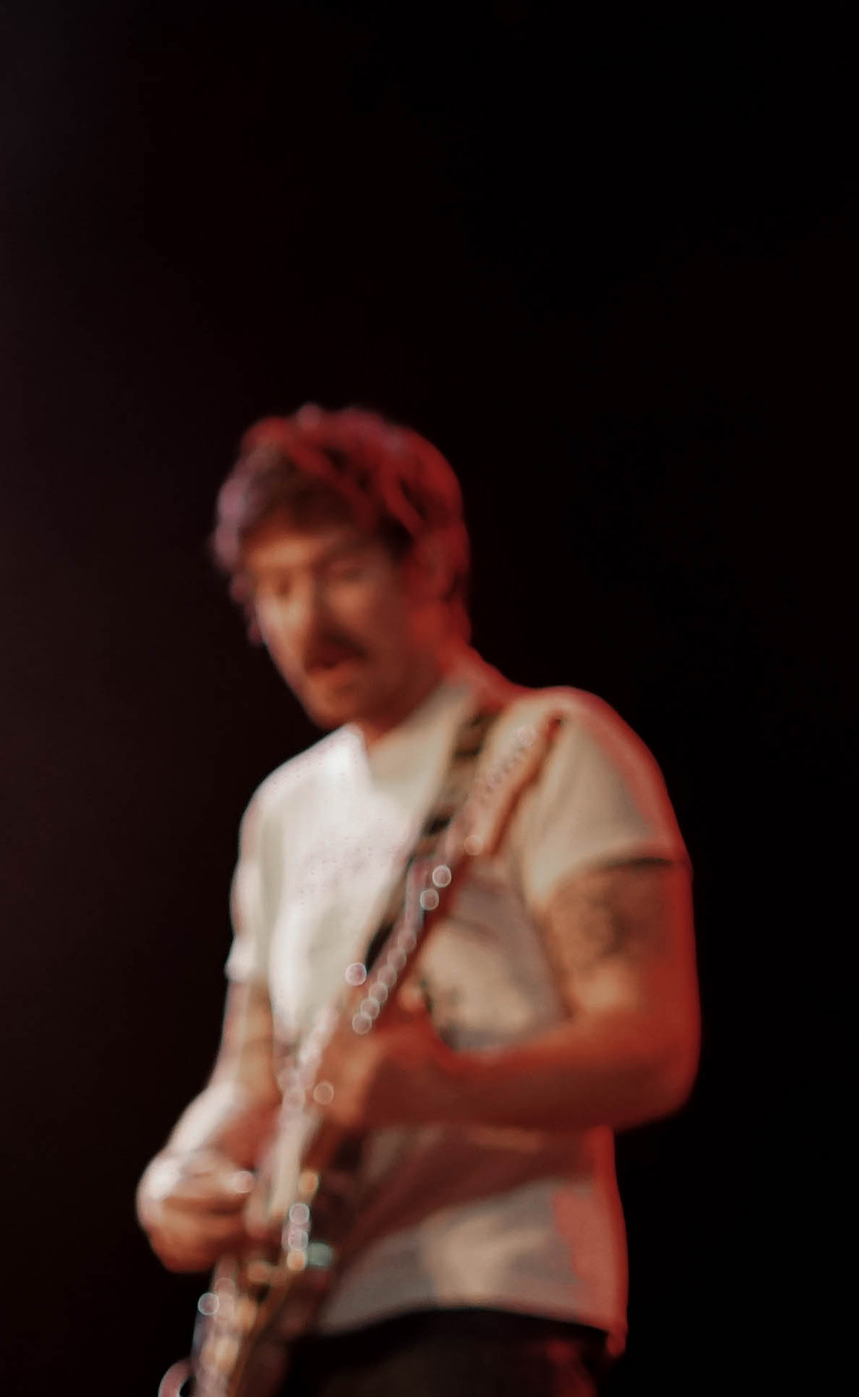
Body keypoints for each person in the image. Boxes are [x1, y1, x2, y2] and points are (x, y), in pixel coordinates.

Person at [138, 408, 701, 1396]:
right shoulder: (282, 808)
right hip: (298, 1332)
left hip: (488, 1308)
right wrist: (177, 1176)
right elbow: (252, 1074)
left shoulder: (552, 743)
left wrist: (442, 1085)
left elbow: (654, 1045)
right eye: (276, 587)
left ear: (431, 564)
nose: (307, 620)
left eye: (340, 571)